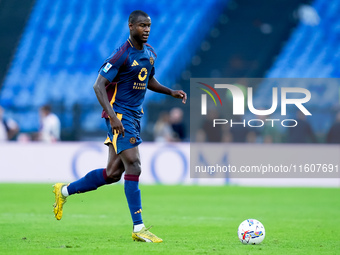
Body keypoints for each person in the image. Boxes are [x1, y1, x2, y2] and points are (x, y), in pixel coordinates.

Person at [52, 10, 187, 243]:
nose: (146, 30)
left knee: (113, 173)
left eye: (149, 26)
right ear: (131, 26)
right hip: (120, 116)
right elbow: (98, 85)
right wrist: (113, 117)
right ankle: (139, 227)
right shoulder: (121, 55)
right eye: (142, 25)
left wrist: (170, 91)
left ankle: (63, 191)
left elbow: (147, 79)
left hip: (134, 116)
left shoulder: (149, 53)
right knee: (134, 164)